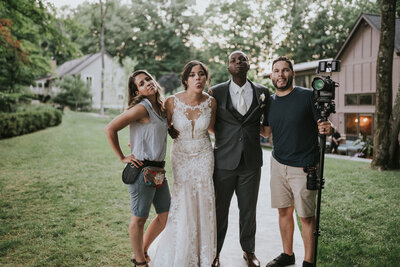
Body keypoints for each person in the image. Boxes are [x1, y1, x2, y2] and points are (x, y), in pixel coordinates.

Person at [263, 56, 331, 267]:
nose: (280, 74)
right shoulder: (270, 102)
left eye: (285, 70)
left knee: (306, 217)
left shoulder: (308, 96)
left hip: (304, 165)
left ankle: (308, 262)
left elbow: (324, 123)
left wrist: (327, 127)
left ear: (292, 73)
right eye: (276, 71)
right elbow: (266, 132)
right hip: (278, 164)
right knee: (284, 211)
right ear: (271, 75)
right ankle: (287, 254)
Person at [148, 60, 217, 266]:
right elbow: (161, 126)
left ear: (206, 78)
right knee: (183, 199)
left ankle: (205, 255)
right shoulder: (171, 101)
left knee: (204, 199)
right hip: (181, 155)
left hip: (205, 154)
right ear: (186, 79)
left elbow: (212, 129)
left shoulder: (211, 102)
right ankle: (182, 252)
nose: (198, 78)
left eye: (202, 74)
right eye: (193, 75)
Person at [209, 51, 270, 267]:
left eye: (242, 59)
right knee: (219, 210)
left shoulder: (263, 92)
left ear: (249, 64)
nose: (238, 62)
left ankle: (249, 251)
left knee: (248, 209)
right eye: (234, 60)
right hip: (224, 162)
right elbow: (210, 124)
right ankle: (214, 253)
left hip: (251, 162)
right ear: (228, 67)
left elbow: (267, 128)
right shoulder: (215, 92)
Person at [104, 70, 171, 267]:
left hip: (158, 172)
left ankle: (141, 250)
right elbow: (110, 128)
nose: (148, 83)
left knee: (165, 215)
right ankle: (139, 261)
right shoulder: (142, 108)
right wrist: (122, 157)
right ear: (137, 92)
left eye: (149, 79)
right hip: (142, 171)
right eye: (141, 83)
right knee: (139, 219)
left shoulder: (159, 107)